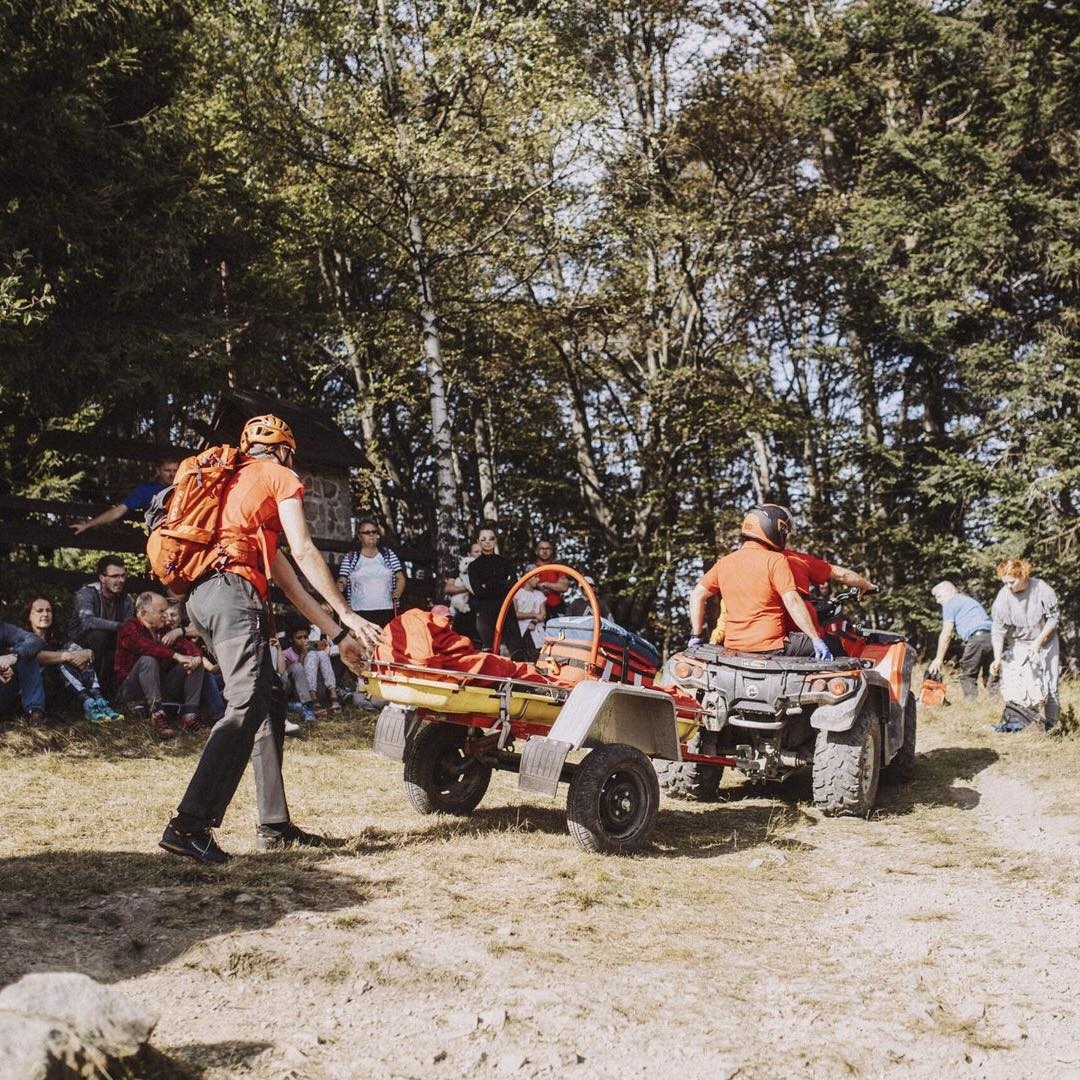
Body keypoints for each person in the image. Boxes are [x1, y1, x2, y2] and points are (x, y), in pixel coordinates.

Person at [159, 413, 380, 865]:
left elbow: (293, 585)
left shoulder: (235, 493)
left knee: (270, 695)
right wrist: (348, 610)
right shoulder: (279, 475)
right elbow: (304, 550)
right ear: (284, 450)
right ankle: (189, 825)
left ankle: (274, 824)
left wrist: (338, 635)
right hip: (232, 595)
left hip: (203, 599)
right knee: (244, 704)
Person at [688, 505, 831, 660]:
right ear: (773, 530)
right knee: (836, 644)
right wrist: (816, 639)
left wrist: (696, 635)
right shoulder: (776, 560)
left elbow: (697, 595)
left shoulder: (724, 563)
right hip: (772, 646)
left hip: (734, 647)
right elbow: (793, 601)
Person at [115, 592, 205, 739]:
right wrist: (176, 656)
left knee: (194, 662)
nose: (166, 616)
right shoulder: (128, 628)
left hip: (161, 688)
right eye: (161, 612)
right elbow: (146, 646)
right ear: (144, 613)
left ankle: (190, 716)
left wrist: (195, 657)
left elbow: (186, 646)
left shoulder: (163, 631)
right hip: (131, 692)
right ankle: (157, 714)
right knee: (148, 659)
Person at [23, 596, 121, 722]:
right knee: (65, 658)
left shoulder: (57, 637)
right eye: (39, 611)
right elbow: (38, 656)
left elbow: (78, 651)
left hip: (62, 688)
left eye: (49, 610)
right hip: (38, 691)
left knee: (75, 652)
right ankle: (89, 701)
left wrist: (87, 653)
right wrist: (67, 656)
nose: (45, 614)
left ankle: (98, 701)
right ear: (29, 616)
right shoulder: (23, 637)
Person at [990, 559, 1060, 730]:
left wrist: (1039, 641)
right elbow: (998, 630)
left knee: (1050, 684)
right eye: (1004, 583)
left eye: (1011, 582)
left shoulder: (1041, 589)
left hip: (1046, 641)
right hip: (1020, 642)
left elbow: (1053, 618)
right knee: (1022, 685)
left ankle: (1052, 727)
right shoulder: (1003, 596)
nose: (1008, 586)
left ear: (1023, 576)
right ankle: (1025, 725)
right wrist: (997, 658)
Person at [67, 555, 134, 695]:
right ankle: (92, 689)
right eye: (115, 576)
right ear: (102, 578)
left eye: (123, 576)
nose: (120, 580)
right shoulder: (86, 593)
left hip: (111, 644)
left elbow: (130, 629)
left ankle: (119, 692)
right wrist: (120, 627)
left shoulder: (126, 600)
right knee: (100, 635)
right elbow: (88, 621)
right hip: (81, 644)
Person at [458, 524, 526, 658]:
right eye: (483, 539)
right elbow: (478, 591)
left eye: (491, 538)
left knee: (517, 650)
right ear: (478, 542)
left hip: (506, 608)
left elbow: (513, 584)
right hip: (485, 611)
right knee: (488, 650)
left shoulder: (505, 562)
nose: (487, 542)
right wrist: (501, 583)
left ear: (495, 541)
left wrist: (488, 584)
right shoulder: (474, 566)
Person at [70, 459, 180, 535]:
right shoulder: (146, 491)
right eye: (167, 470)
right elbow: (119, 511)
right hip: (159, 542)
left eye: (175, 471)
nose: (172, 474)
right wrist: (88, 525)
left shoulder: (185, 489)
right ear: (158, 471)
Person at [927, 581, 995, 700]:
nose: (938, 601)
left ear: (951, 591)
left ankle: (969, 707)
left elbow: (946, 633)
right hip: (993, 638)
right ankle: (997, 704)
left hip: (976, 638)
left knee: (968, 675)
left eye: (939, 596)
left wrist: (938, 659)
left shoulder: (951, 603)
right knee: (992, 675)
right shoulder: (968, 601)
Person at [336, 516, 406, 628]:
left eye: (374, 531)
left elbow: (400, 577)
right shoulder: (351, 557)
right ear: (359, 536)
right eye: (367, 532)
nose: (371, 535)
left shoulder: (388, 555)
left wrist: (398, 591)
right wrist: (340, 585)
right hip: (359, 612)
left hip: (387, 610)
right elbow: (342, 578)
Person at [283, 625, 342, 712]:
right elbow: (297, 672)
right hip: (301, 693)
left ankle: (333, 695)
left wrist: (325, 650)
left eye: (306, 637)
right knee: (312, 655)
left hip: (318, 687)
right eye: (299, 638)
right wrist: (303, 653)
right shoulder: (286, 654)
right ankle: (313, 700)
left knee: (321, 654)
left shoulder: (312, 649)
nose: (304, 640)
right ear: (291, 639)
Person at [0, 620, 47, 727]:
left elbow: (35, 640)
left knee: (26, 652)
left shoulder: (3, 628)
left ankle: (35, 713)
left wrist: (13, 657)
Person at [524, 539, 570, 619]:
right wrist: (539, 586)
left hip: (555, 607)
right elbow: (525, 587)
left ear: (552, 551)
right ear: (536, 551)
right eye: (542, 549)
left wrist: (545, 584)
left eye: (547, 549)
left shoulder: (557, 567)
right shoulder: (531, 568)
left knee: (558, 630)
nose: (544, 552)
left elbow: (564, 587)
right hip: (535, 609)